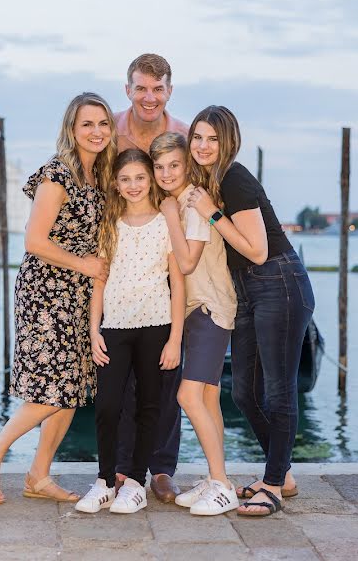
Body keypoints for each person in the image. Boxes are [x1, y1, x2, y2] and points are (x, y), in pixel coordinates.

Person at [0, 92, 115, 505]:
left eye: (103, 123)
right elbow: (34, 241)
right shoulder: (57, 174)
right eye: (87, 124)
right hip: (46, 291)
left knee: (71, 388)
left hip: (79, 294)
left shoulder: (99, 178)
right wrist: (84, 265)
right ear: (72, 129)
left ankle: (38, 475)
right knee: (49, 390)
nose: (96, 131)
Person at [186, 106, 315, 517]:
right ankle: (284, 473)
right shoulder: (207, 181)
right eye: (198, 137)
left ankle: (274, 484)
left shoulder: (233, 178)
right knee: (243, 392)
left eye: (213, 139)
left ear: (229, 143)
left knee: (279, 389)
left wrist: (211, 212)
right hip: (245, 290)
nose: (204, 146)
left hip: (278, 280)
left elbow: (257, 250)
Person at [75, 148, 184, 514]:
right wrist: (94, 331)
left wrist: (175, 339)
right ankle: (105, 481)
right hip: (115, 326)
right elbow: (99, 281)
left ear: (149, 180)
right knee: (108, 406)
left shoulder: (165, 220)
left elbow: (178, 283)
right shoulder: (110, 221)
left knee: (150, 406)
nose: (134, 185)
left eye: (140, 177)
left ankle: (136, 481)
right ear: (117, 185)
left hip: (157, 325)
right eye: (126, 179)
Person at [112, 53, 189, 502]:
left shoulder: (180, 135)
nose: (149, 97)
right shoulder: (112, 133)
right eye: (141, 88)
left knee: (167, 374)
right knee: (123, 382)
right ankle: (124, 469)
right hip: (122, 259)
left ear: (169, 92)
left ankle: (161, 468)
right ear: (128, 90)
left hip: (168, 258)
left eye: (157, 89)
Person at [152, 132, 239, 515]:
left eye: (175, 165)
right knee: (207, 397)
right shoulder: (178, 200)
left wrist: (170, 213)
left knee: (187, 395)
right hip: (195, 310)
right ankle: (217, 477)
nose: (166, 172)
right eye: (159, 166)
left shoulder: (193, 202)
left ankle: (221, 485)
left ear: (188, 164)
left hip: (210, 308)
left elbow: (187, 263)